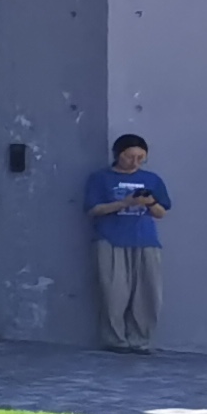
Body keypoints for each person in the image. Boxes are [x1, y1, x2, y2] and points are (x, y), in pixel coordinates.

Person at [85, 133, 173, 354]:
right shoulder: (100, 178)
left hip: (145, 240)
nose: (135, 163)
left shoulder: (152, 179)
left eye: (140, 158)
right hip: (111, 239)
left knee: (147, 293)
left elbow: (161, 212)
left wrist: (149, 202)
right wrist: (125, 202)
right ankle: (115, 340)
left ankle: (140, 339)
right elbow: (93, 209)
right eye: (129, 157)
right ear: (118, 155)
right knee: (113, 293)